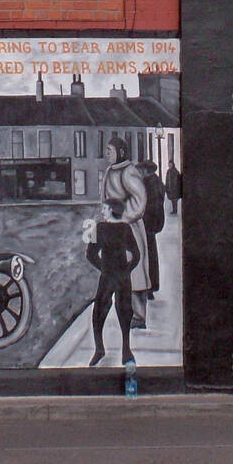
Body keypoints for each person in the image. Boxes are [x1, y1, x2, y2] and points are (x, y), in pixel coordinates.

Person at [103, 137, 150, 329]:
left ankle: (139, 316)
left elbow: (139, 201)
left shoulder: (129, 172)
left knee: (135, 272)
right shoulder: (109, 171)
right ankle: (125, 312)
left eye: (110, 150)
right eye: (106, 150)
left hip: (130, 228)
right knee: (118, 270)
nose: (107, 154)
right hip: (115, 227)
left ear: (120, 152)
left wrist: (122, 215)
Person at [86, 197, 139, 367]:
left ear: (111, 210)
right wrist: (127, 269)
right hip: (122, 277)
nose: (102, 211)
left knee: (99, 313)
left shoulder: (99, 228)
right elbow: (136, 255)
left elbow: (90, 254)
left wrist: (104, 268)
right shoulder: (125, 228)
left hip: (108, 277)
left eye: (105, 208)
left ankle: (100, 350)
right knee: (124, 313)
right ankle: (125, 351)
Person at [138, 160, 167, 298]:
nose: (139, 172)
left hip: (148, 223)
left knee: (147, 255)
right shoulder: (156, 182)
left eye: (141, 170)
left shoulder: (150, 183)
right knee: (151, 255)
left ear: (146, 170)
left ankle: (149, 288)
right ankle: (151, 286)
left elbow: (150, 205)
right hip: (152, 223)